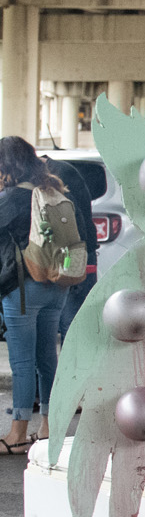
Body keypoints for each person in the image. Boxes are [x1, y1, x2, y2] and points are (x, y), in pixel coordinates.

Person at [0, 137, 70, 452]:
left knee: (22, 360)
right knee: (46, 357)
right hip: (56, 285)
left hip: (22, 288)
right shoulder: (53, 190)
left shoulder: (13, 197)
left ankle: (16, 435)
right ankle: (49, 426)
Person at [40, 156, 97, 342]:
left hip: (74, 256)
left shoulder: (57, 174)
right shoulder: (59, 170)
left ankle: (72, 369)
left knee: (71, 323)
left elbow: (74, 224)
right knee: (69, 323)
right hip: (73, 254)